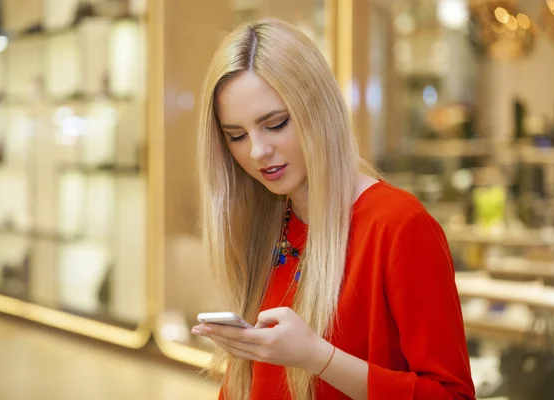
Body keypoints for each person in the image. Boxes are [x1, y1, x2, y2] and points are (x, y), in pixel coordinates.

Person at [191, 18, 475, 400]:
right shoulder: (266, 227)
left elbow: (451, 396)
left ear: (317, 109)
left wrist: (319, 358)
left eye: (275, 125)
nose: (257, 152)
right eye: (236, 136)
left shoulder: (397, 225)